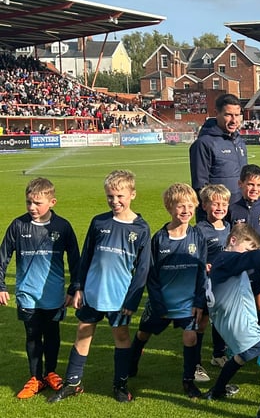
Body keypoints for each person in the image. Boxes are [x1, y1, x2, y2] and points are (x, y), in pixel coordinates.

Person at [48, 170, 151, 403]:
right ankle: (73, 382)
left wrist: (132, 301)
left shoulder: (141, 229)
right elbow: (85, 258)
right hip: (93, 292)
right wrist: (79, 288)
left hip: (119, 297)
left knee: (121, 337)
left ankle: (120, 385)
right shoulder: (99, 222)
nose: (115, 201)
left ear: (132, 194)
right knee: (83, 333)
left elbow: (142, 270)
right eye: (110, 196)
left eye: (120, 196)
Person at [201, 224, 260, 418]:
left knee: (241, 356)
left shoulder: (222, 263)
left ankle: (217, 391)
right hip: (241, 326)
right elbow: (247, 259)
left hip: (227, 324)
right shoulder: (229, 258)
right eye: (248, 247)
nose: (250, 254)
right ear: (233, 241)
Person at [0, 177, 80, 399]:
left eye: (37, 203)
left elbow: (75, 259)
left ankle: (51, 373)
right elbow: (3, 256)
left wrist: (75, 288)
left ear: (52, 201)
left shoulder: (62, 227)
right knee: (33, 335)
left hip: (53, 294)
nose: (32, 208)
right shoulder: (18, 225)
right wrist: (1, 285)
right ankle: (35, 378)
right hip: (27, 294)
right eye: (29, 202)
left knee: (52, 334)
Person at [129, 184, 208, 398]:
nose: (185, 211)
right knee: (143, 333)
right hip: (161, 302)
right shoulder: (159, 238)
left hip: (188, 302)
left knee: (190, 338)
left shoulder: (197, 237)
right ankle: (131, 362)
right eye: (180, 206)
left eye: (190, 206)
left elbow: (202, 270)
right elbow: (151, 274)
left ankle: (188, 381)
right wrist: (157, 302)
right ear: (169, 208)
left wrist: (199, 301)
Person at [228, 164, 260, 366]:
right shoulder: (232, 208)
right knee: (238, 308)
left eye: (258, 185)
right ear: (240, 184)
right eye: (250, 184)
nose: (254, 188)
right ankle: (236, 345)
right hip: (238, 269)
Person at [189, 94, 248, 220]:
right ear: (217, 113)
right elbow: (201, 186)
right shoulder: (203, 143)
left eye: (237, 115)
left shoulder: (239, 142)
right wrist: (216, 209)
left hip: (238, 212)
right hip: (216, 216)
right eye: (228, 115)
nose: (234, 120)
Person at [194, 184, 234, 370]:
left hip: (223, 283)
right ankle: (195, 361)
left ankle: (218, 354)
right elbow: (193, 255)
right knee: (201, 322)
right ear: (204, 206)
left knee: (220, 319)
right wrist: (204, 265)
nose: (220, 208)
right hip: (205, 283)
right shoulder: (199, 230)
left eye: (224, 203)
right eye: (215, 203)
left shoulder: (228, 227)